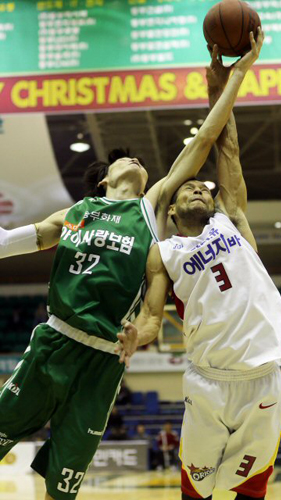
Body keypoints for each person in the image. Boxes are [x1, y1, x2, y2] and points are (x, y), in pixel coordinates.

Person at [0, 33, 251, 500]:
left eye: (139, 160)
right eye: (123, 160)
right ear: (103, 180)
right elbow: (12, 242)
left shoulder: (151, 207)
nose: (137, 160)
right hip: (53, 343)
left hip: (103, 359)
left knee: (63, 487)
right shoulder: (74, 213)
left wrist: (235, 76)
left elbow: (206, 142)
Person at [118, 30, 281, 500]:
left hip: (262, 375)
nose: (199, 189)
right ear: (170, 212)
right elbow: (152, 318)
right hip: (206, 380)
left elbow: (226, 148)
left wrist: (226, 80)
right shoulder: (164, 253)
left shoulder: (232, 222)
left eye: (204, 189)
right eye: (189, 188)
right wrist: (137, 335)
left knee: (251, 489)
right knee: (195, 489)